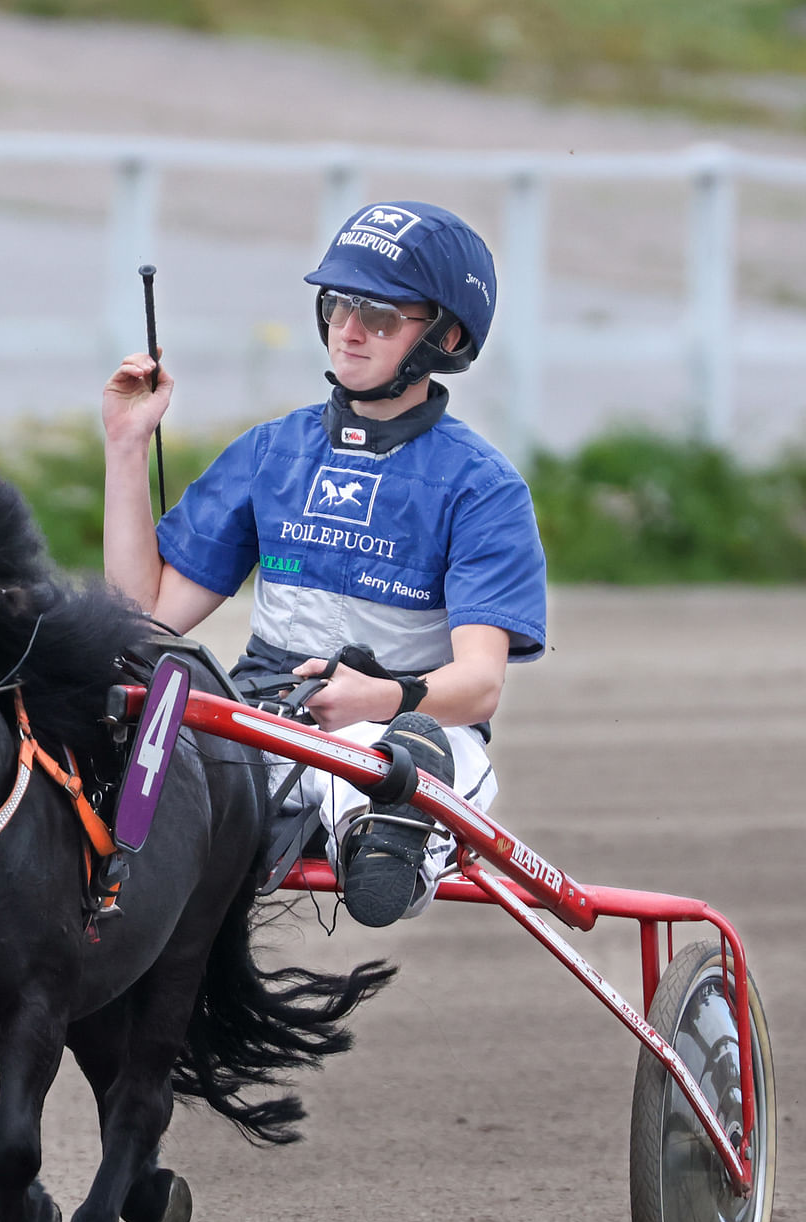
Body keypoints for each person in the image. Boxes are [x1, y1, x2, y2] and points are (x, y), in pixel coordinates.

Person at [101, 201, 548, 928]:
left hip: (403, 725)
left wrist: (375, 698)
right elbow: (144, 618)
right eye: (340, 303)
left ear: (447, 333)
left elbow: (478, 687)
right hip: (260, 720)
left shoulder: (483, 487)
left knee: (386, 760)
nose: (349, 327)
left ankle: (386, 833)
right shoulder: (271, 451)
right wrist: (125, 446)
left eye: (380, 313)